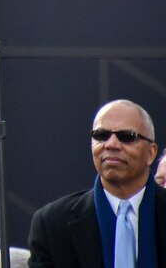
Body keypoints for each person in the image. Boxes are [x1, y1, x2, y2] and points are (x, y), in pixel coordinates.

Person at [27, 99, 166, 267]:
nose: (112, 144)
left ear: (151, 153)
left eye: (126, 137)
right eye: (101, 135)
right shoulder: (52, 224)